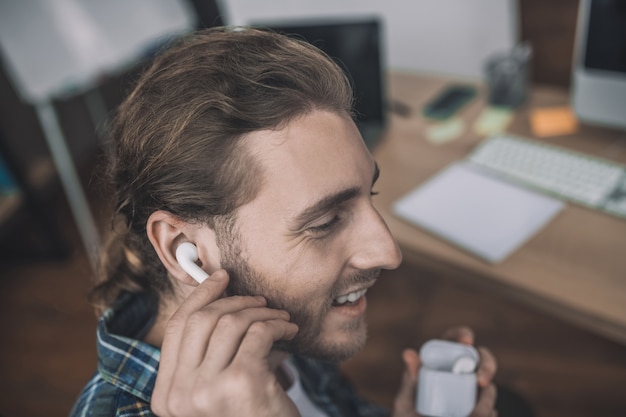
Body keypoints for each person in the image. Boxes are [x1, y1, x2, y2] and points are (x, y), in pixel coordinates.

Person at [70, 27, 497, 417]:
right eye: (326, 222)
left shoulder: (281, 321)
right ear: (186, 249)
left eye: (371, 195)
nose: (388, 253)